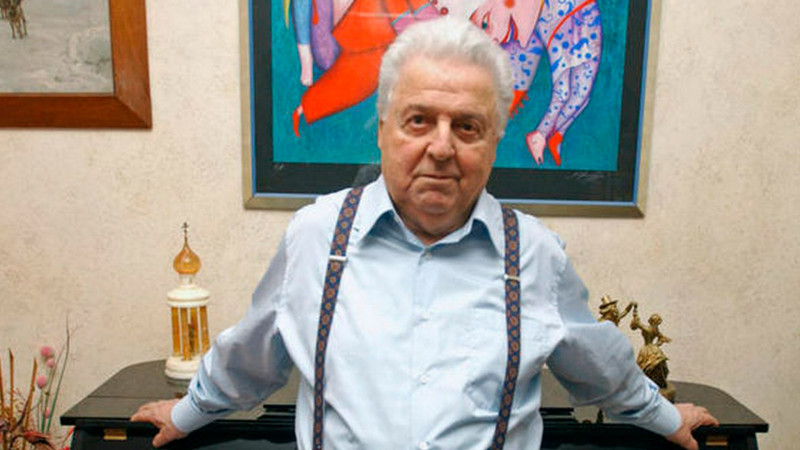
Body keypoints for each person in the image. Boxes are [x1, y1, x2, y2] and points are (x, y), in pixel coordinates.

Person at [132, 16, 717, 449]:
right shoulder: (315, 236)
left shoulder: (537, 254)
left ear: (495, 141)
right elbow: (250, 357)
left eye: (467, 126)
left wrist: (668, 418)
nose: (441, 147)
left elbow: (601, 367)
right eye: (419, 120)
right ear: (383, 128)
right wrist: (184, 413)